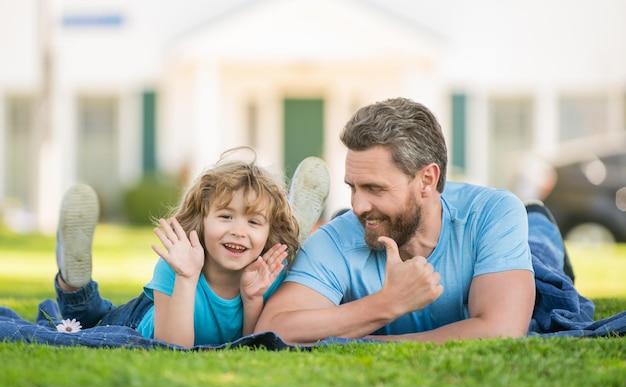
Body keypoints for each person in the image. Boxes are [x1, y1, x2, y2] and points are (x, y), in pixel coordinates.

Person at [256, 97, 559, 345]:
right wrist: (387, 304)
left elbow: (501, 331)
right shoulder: (336, 238)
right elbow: (272, 330)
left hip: (518, 228)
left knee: (540, 243)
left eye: (375, 188)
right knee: (354, 222)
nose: (357, 205)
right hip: (377, 229)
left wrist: (369, 341)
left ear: (427, 179)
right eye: (352, 187)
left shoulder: (493, 213)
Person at [54, 148, 329, 348]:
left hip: (266, 264)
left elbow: (252, 345)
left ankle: (290, 236)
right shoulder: (177, 266)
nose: (238, 231)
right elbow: (173, 347)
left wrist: (253, 298)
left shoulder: (266, 276)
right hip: (139, 321)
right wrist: (186, 277)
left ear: (268, 232)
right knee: (90, 318)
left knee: (281, 265)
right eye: (225, 216)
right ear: (202, 221)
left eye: (254, 221)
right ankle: (73, 281)